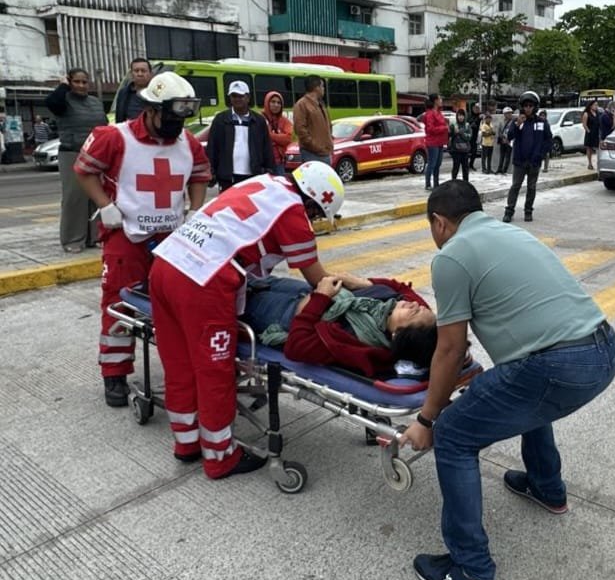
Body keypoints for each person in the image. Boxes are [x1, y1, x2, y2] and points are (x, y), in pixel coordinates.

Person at [399, 180, 615, 580]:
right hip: (604, 348)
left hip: (559, 365)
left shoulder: (452, 257)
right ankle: (546, 487)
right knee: (525, 392)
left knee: (456, 433)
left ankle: (471, 571)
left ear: (439, 222)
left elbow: (450, 347)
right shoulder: (511, 232)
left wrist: (427, 419)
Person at [148, 162, 346, 479]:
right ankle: (220, 457)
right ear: (312, 201)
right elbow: (316, 278)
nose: (315, 220)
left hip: (166, 265)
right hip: (203, 281)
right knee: (215, 370)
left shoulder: (265, 183)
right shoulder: (293, 212)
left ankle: (186, 443)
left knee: (179, 363)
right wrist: (351, 284)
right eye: (318, 214)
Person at [73, 72, 211, 407]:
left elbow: (199, 175)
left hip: (171, 238)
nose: (176, 124)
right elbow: (84, 170)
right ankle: (115, 372)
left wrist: (195, 210)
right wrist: (105, 206)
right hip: (127, 237)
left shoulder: (187, 142)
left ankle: (177, 364)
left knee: (173, 305)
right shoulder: (114, 137)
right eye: (171, 116)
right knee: (119, 304)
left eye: (182, 118)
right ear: (150, 109)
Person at [243, 273, 439, 374]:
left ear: (397, 335)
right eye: (420, 307)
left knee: (233, 293)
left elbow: (297, 347)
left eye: (414, 312)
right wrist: (364, 283)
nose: (415, 303)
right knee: (249, 278)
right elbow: (400, 287)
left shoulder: (355, 344)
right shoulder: (397, 306)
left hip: (284, 314)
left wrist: (321, 298)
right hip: (304, 290)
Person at [46, 68, 108, 252]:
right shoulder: (63, 101)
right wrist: (63, 86)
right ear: (70, 82)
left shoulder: (95, 102)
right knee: (75, 197)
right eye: (77, 82)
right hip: (72, 153)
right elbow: (51, 102)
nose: (81, 85)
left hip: (95, 154)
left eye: (84, 82)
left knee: (96, 196)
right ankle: (73, 239)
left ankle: (95, 237)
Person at [205, 80, 275, 189]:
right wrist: (211, 172)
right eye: (234, 96)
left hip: (253, 176)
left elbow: (266, 148)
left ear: (248, 97)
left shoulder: (259, 121)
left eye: (241, 96)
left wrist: (269, 170)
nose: (237, 99)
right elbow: (212, 147)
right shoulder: (220, 119)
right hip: (227, 177)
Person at [503, 91, 552, 223]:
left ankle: (528, 210)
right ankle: (509, 211)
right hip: (519, 161)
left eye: (531, 106)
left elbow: (548, 140)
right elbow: (509, 137)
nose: (528, 108)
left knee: (532, 187)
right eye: (526, 106)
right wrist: (517, 124)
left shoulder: (542, 122)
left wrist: (540, 155)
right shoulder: (517, 121)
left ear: (535, 107)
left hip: (534, 162)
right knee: (515, 186)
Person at [293, 75, 332, 165]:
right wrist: (315, 146)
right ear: (316, 88)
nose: (323, 89)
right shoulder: (301, 104)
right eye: (322, 86)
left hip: (325, 153)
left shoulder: (321, 104)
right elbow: (300, 130)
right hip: (311, 154)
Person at [262, 90, 293, 175]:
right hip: (263, 163)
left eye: (279, 103)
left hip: (279, 162)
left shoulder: (284, 121)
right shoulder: (260, 118)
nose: (276, 105)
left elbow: (288, 138)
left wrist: (270, 135)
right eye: (273, 102)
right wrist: (279, 137)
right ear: (267, 102)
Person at [114, 57, 154, 122]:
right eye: (136, 71)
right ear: (131, 74)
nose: (140, 74)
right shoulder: (123, 93)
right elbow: (119, 117)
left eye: (143, 71)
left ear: (151, 74)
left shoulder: (157, 93)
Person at [422, 94, 449, 191]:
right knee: (432, 163)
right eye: (440, 98)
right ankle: (428, 184)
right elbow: (431, 129)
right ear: (435, 101)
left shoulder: (438, 112)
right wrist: (444, 128)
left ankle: (436, 183)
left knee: (438, 163)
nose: (441, 100)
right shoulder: (430, 114)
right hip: (433, 142)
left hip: (440, 141)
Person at [448, 108, 473, 182]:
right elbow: (449, 135)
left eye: (462, 115)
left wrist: (461, 133)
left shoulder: (467, 125)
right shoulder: (454, 125)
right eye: (459, 115)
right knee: (455, 168)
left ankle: (466, 183)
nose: (460, 117)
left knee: (465, 169)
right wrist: (453, 132)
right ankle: (453, 182)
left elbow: (469, 137)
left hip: (465, 151)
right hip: (456, 151)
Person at [582, 100, 601, 169]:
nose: (596, 106)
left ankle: (599, 162)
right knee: (589, 148)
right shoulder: (586, 114)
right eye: (595, 105)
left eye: (597, 105)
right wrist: (589, 131)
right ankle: (590, 163)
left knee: (598, 148)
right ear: (591, 106)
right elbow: (584, 124)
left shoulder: (597, 113)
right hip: (590, 133)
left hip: (597, 133)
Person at [494, 107, 514, 173]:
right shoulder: (501, 122)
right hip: (503, 140)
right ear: (504, 114)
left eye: (510, 113)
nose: (509, 115)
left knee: (508, 156)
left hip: (509, 141)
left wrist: (509, 139)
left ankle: (504, 169)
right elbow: (499, 131)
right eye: (507, 113)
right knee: (502, 156)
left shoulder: (513, 122)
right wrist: (502, 138)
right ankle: (499, 168)